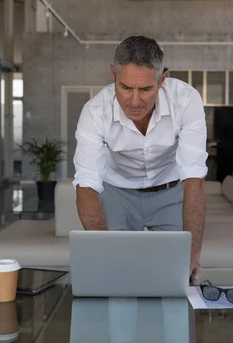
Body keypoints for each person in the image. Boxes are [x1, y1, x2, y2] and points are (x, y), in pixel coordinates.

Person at [72, 35, 208, 284]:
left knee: (179, 277)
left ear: (162, 79)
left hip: (170, 193)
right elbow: (86, 185)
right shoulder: (94, 112)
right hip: (118, 194)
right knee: (114, 276)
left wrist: (193, 253)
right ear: (113, 75)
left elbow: (194, 177)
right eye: (125, 88)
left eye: (145, 89)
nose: (134, 101)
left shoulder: (187, 100)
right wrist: (102, 254)